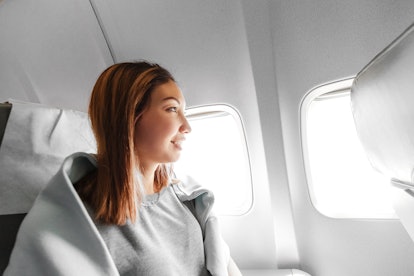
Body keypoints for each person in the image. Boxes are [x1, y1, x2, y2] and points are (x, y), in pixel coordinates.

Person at [4, 61, 242, 276]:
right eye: (172, 109)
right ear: (129, 116)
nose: (187, 126)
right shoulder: (80, 216)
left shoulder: (188, 201)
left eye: (184, 111)